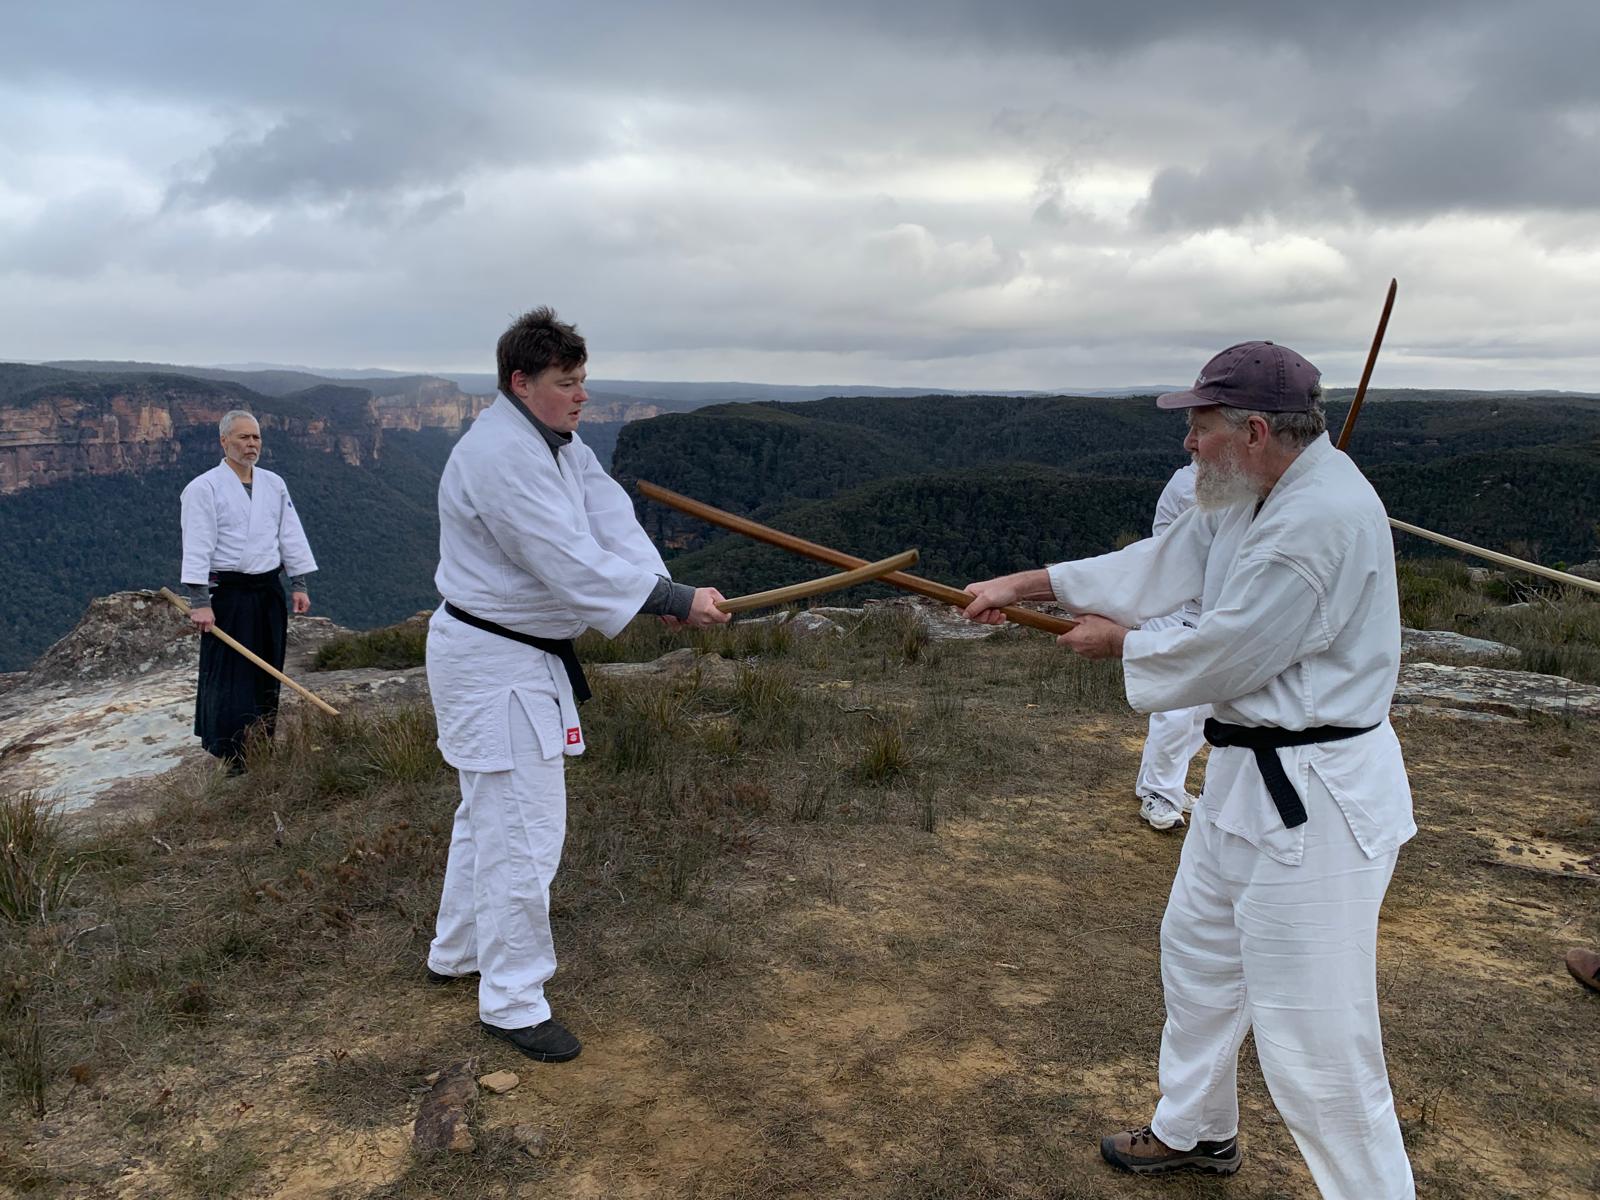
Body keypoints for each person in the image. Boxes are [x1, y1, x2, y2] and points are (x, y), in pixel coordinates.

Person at [963, 342, 1416, 1198]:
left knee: (1317, 1042)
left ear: (1253, 431)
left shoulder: (1318, 522)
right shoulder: (1256, 492)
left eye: (1200, 427)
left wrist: (1122, 644)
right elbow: (1163, 562)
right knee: (1199, 954)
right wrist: (1025, 584)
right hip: (1248, 778)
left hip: (1316, 804)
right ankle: (1198, 1129)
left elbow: (1230, 650)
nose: (1188, 443)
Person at [425, 306, 730, 1064]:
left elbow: (607, 518)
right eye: (566, 382)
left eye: (583, 380)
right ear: (520, 382)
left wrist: (660, 589)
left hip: (513, 657)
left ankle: (458, 952)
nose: (582, 395)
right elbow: (564, 557)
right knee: (523, 833)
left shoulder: (557, 443)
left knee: (487, 816)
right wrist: (670, 599)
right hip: (496, 665)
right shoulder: (499, 455)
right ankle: (512, 1000)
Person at [179, 410, 317, 770]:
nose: (251, 444)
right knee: (231, 674)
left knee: (267, 668)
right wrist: (200, 602)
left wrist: (298, 584)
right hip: (230, 593)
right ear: (224, 441)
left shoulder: (273, 483)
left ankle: (261, 744)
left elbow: (289, 533)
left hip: (268, 589)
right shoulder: (204, 488)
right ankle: (231, 752)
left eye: (256, 437)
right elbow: (197, 545)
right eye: (243, 437)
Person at [1133, 463, 1207, 831]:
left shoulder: (1225, 485)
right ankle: (1158, 794)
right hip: (1173, 608)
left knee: (1204, 711)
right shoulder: (1191, 487)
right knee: (1176, 710)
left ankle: (1166, 785)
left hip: (1203, 609)